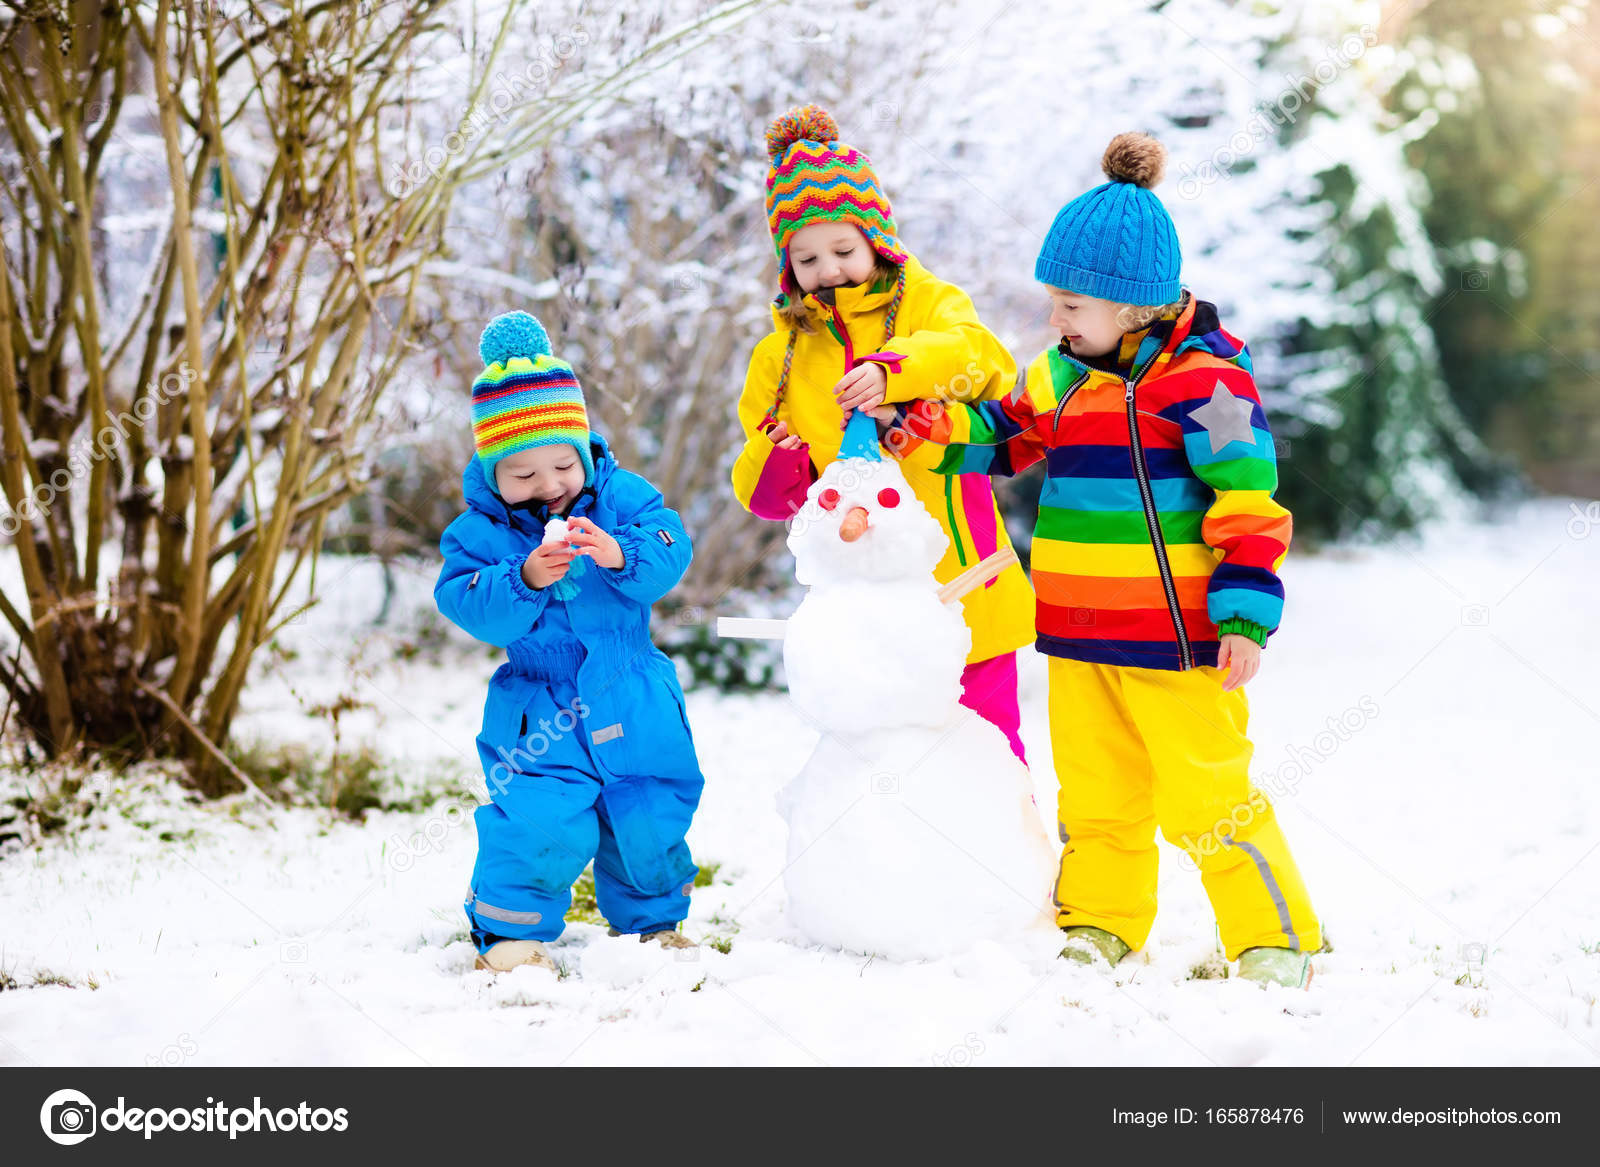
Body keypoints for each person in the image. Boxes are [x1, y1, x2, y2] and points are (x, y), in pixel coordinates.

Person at [875, 133, 1323, 988]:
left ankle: (1274, 935)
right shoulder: (1058, 377)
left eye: (1071, 303)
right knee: (1096, 793)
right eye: (1054, 301)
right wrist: (924, 427)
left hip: (1181, 643)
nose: (1056, 319)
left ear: (1132, 306)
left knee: (1207, 795)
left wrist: (1243, 615)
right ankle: (1102, 922)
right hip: (1078, 637)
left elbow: (1249, 502)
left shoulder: (1209, 385)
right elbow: (1001, 436)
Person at [731, 104, 1036, 762]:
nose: (828, 270)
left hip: (965, 588)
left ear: (877, 238)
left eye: (844, 250)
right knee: (882, 760)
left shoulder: (928, 302)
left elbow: (984, 360)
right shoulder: (779, 357)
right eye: (806, 257)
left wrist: (895, 370)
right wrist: (779, 459)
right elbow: (763, 495)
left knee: (986, 753)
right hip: (864, 616)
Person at [435, 310, 703, 974]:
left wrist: (621, 554)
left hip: (634, 690)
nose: (549, 484)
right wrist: (523, 578)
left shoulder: (623, 500)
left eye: (563, 463)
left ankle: (653, 922)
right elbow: (466, 601)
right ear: (492, 472)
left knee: (649, 806)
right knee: (540, 818)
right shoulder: (479, 534)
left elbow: (671, 546)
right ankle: (510, 934)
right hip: (540, 706)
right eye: (523, 473)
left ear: (584, 451)